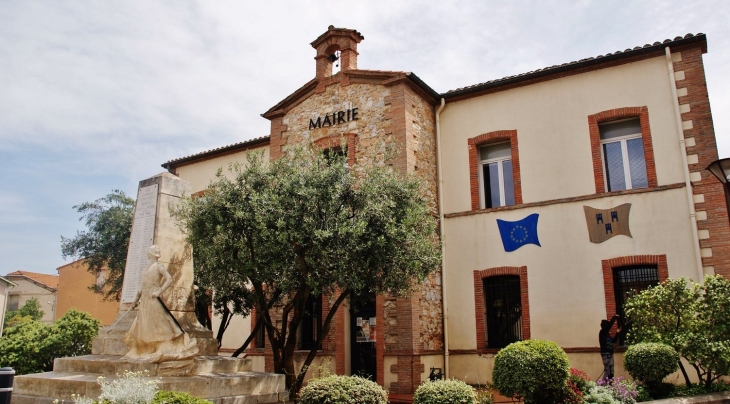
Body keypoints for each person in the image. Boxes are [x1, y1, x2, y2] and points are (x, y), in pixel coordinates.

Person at [123, 245, 197, 362]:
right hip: (145, 300)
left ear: (150, 254)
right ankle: (147, 348)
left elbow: (169, 279)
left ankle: (163, 345)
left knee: (159, 321)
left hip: (154, 297)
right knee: (145, 323)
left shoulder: (158, 266)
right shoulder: (146, 269)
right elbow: (141, 288)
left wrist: (159, 291)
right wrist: (135, 301)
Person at [599, 314, 622, 380]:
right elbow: (610, 325)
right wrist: (615, 317)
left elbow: (614, 340)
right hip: (606, 355)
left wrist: (617, 332)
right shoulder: (602, 332)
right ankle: (605, 386)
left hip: (610, 355)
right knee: (608, 371)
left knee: (611, 372)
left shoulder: (607, 335)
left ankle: (610, 386)